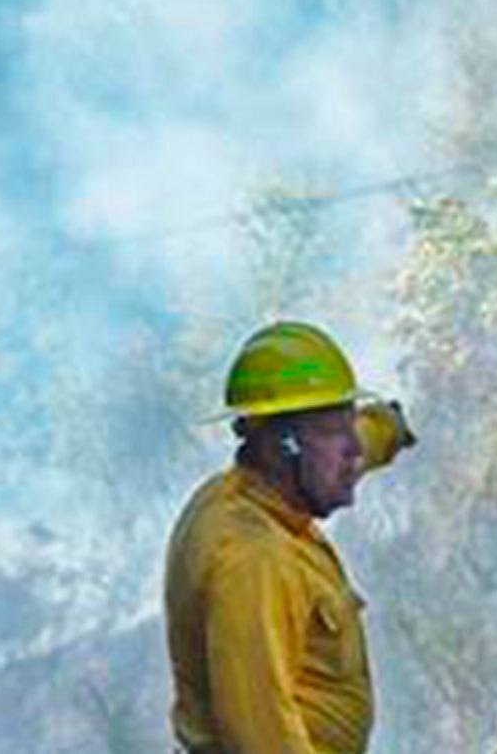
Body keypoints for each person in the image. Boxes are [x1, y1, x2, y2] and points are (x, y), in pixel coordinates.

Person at [164, 320, 415, 753]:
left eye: (351, 423)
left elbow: (346, 452)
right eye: (335, 431)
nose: (354, 450)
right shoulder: (253, 560)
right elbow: (261, 739)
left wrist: (387, 428)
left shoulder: (238, 496)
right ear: (281, 445)